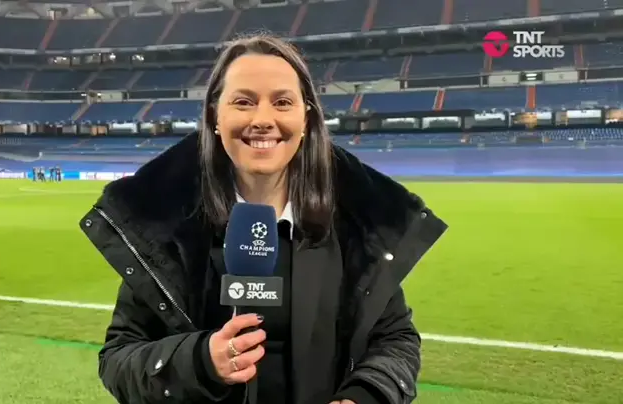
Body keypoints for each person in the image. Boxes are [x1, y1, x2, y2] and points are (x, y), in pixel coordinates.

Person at [80, 34, 448, 404]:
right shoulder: (167, 229)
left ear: (306, 119)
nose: (262, 120)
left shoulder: (356, 227)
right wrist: (199, 361)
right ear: (215, 116)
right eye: (243, 102)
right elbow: (119, 360)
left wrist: (364, 396)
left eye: (282, 102)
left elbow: (395, 340)